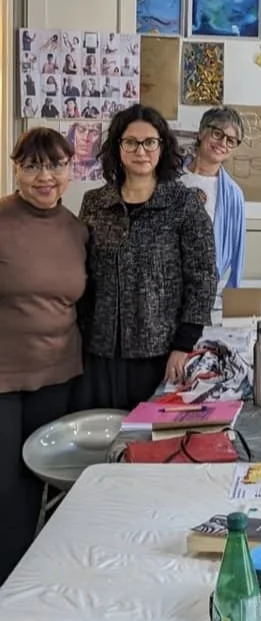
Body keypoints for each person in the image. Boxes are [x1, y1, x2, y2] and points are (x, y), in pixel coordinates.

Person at [78, 105, 217, 410]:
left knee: (147, 440)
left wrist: (184, 344)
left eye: (149, 142)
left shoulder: (184, 204)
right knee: (102, 435)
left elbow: (203, 278)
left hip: (160, 352)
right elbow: (83, 274)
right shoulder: (95, 203)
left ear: (162, 146)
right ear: (118, 147)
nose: (140, 151)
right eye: (131, 142)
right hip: (100, 351)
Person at [0, 129, 87, 582]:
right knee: (6, 491)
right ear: (16, 168)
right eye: (32, 165)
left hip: (58, 375)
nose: (44, 177)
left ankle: (38, 586)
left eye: (55, 165)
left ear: (70, 170)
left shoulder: (76, 229)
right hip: (4, 379)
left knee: (45, 487)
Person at [180, 106, 247, 289]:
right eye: (217, 134)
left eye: (231, 140)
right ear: (202, 132)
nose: (223, 143)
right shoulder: (171, 180)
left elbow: (237, 252)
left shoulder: (233, 194)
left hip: (206, 285)